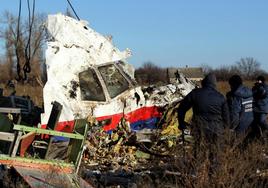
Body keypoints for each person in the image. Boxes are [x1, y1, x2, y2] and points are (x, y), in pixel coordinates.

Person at [177, 73, 230, 159]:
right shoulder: (220, 97)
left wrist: (181, 123)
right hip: (217, 129)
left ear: (204, 83)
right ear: (214, 84)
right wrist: (225, 128)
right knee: (215, 153)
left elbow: (181, 108)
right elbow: (226, 117)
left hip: (199, 128)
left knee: (199, 152)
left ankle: (198, 170)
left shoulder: (195, 94)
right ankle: (214, 171)